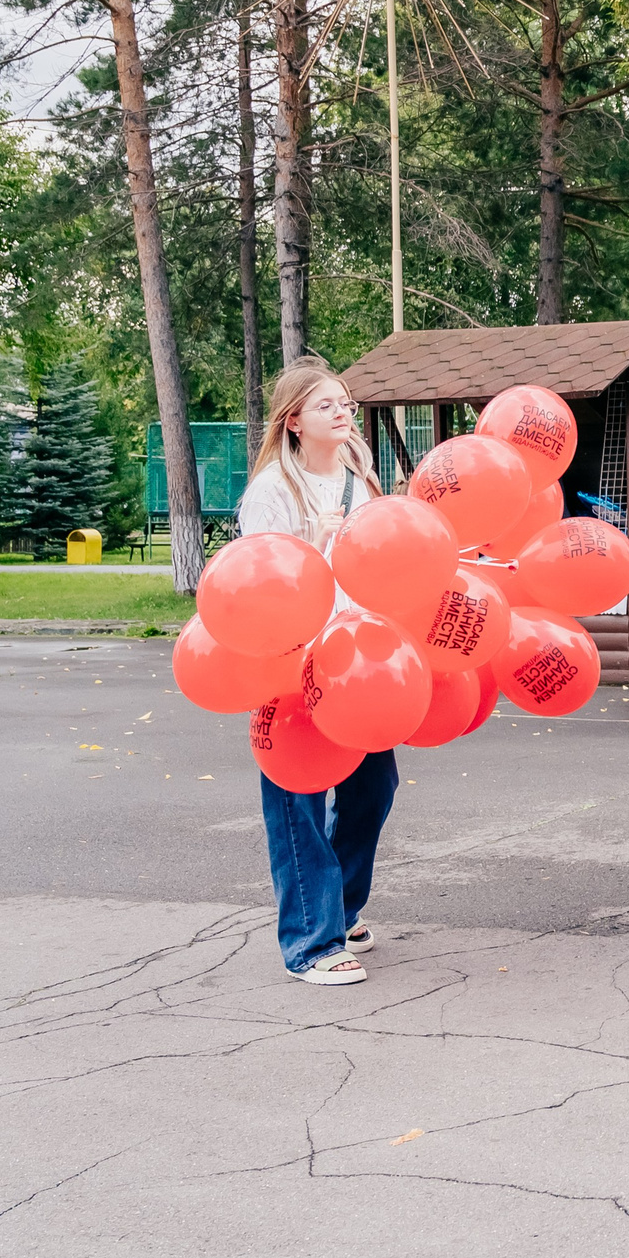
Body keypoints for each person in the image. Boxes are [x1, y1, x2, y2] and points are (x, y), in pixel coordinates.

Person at [237, 363, 393, 987]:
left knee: (373, 784)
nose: (341, 411)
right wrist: (312, 538)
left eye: (345, 402)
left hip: (361, 658)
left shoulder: (361, 476)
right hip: (290, 660)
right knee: (297, 795)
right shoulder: (274, 488)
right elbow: (260, 579)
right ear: (292, 420)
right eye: (325, 404)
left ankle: (343, 907)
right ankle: (311, 941)